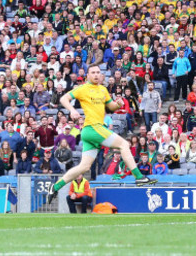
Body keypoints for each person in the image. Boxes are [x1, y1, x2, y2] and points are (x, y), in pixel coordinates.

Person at [47, 64, 156, 205]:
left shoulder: (103, 89)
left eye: (98, 72)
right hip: (93, 127)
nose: (96, 75)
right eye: (93, 72)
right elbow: (63, 99)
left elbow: (110, 107)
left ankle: (55, 187)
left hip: (90, 132)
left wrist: (118, 104)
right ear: (87, 75)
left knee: (84, 167)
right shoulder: (83, 88)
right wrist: (72, 110)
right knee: (123, 144)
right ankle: (139, 176)